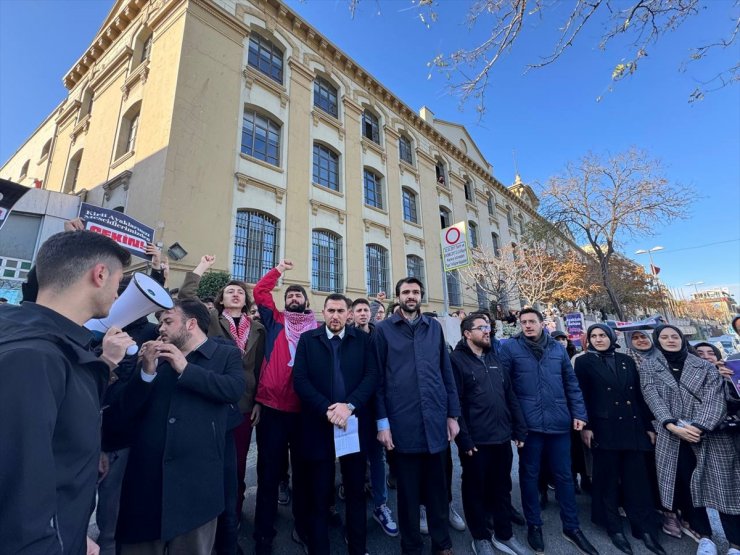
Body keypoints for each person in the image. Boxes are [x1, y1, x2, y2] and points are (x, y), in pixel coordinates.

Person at [0, 230, 132, 554]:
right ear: (100, 274)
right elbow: (19, 499)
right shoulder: (34, 358)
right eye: (119, 281)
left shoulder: (54, 349)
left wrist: (71, 535)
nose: (119, 292)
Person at [113, 300, 245, 554]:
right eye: (160, 321)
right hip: (146, 489)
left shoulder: (224, 354)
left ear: (191, 323)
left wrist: (186, 369)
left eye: (167, 321)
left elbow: (233, 389)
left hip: (197, 490)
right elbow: (125, 412)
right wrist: (146, 373)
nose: (160, 328)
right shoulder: (153, 357)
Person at [179, 255, 266, 555]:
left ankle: (234, 516)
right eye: (230, 290)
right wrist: (200, 267)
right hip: (212, 400)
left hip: (243, 404)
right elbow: (186, 297)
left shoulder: (258, 329)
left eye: (240, 291)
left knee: (238, 466)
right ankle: (206, 518)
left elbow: (259, 368)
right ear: (221, 299)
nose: (236, 293)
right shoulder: (211, 319)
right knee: (209, 463)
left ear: (245, 300)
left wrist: (259, 403)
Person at [498, 308, 598, 555]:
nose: (528, 326)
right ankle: (534, 524)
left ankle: (571, 526)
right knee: (529, 475)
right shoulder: (510, 348)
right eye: (524, 322)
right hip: (529, 425)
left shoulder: (556, 348)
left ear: (543, 323)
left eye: (532, 321)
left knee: (564, 476)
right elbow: (505, 387)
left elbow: (570, 383)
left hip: (558, 422)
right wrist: (514, 424)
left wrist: (579, 414)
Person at [374, 277, 461, 555]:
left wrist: (452, 415)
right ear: (398, 296)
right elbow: (376, 379)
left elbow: (445, 372)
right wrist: (382, 423)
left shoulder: (433, 328)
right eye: (405, 292)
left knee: (438, 490)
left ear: (421, 296)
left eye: (415, 292)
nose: (411, 296)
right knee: (408, 494)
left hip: (435, 420)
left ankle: (442, 544)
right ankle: (411, 546)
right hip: (402, 422)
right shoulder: (383, 330)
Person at [639, 325, 740, 555]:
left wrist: (699, 426)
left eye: (675, 336)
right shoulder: (649, 367)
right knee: (689, 488)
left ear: (683, 340)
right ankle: (705, 536)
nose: (670, 340)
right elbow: (652, 398)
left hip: (709, 433)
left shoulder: (704, 366)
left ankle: (735, 542)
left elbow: (715, 399)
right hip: (673, 434)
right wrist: (672, 425)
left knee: (725, 488)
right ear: (657, 341)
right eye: (664, 337)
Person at [292, 294, 379, 554]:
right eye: (331, 310)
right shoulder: (308, 340)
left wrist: (348, 406)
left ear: (349, 314)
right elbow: (300, 380)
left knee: (355, 492)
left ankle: (357, 546)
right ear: (324, 311)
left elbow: (371, 376)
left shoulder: (363, 340)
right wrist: (327, 409)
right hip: (318, 425)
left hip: (352, 425)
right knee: (319, 494)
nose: (335, 315)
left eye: (341, 310)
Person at [574, 324, 665, 555]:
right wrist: (586, 426)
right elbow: (582, 396)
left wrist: (647, 426)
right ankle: (613, 527)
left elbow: (638, 396)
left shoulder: (626, 360)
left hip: (632, 426)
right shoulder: (584, 363)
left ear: (611, 337)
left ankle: (644, 527)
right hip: (603, 428)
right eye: (593, 336)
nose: (598, 339)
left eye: (602, 335)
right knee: (607, 480)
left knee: (637, 480)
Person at [252, 259, 318, 553]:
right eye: (289, 295)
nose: (293, 298)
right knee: (268, 473)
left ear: (306, 302)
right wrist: (278, 271)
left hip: (305, 410)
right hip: (273, 408)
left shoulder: (316, 328)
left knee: (303, 474)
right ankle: (263, 534)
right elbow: (260, 293)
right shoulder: (274, 319)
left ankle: (303, 527)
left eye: (298, 295)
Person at [450, 314, 528, 555]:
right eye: (481, 328)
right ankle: (480, 536)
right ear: (467, 333)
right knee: (474, 488)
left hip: (502, 437)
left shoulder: (496, 358)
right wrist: (464, 438)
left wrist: (519, 428)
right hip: (476, 440)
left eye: (488, 327)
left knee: (502, 487)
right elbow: (456, 402)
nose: (487, 331)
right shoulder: (456, 360)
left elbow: (509, 396)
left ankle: (504, 535)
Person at [350, 297, 398, 537]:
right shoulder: (347, 336)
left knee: (377, 457)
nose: (362, 313)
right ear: (352, 313)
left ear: (371, 313)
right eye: (358, 310)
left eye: (365, 310)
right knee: (352, 460)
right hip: (351, 408)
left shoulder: (379, 335)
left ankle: (380, 505)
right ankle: (354, 507)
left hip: (376, 405)